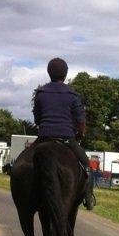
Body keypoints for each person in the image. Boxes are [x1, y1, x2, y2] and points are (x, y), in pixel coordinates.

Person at [32, 57, 95, 210]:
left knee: (23, 160)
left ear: (49, 73)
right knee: (87, 166)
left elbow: (37, 119)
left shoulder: (40, 93)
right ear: (65, 74)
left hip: (43, 137)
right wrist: (80, 133)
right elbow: (81, 122)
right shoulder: (72, 95)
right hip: (67, 138)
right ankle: (88, 197)